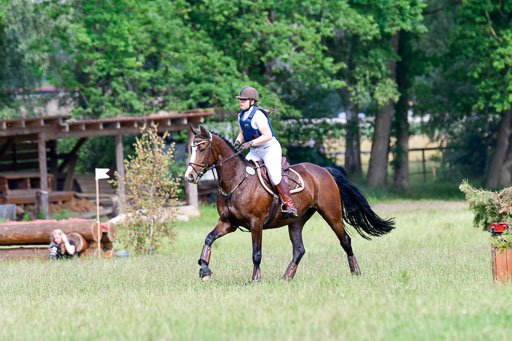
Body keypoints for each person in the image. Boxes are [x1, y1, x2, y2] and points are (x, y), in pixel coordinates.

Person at [234, 86, 298, 218]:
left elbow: (267, 135)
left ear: (252, 101)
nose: (241, 102)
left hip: (269, 149)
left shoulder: (258, 116)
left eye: (244, 100)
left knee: (274, 176)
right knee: (243, 170)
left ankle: (289, 204)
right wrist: (237, 141)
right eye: (240, 100)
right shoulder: (240, 115)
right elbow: (241, 134)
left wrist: (250, 143)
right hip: (255, 151)